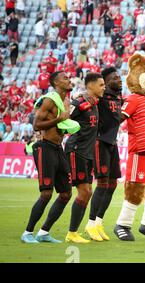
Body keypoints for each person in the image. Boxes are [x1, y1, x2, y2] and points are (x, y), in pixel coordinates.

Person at [21, 71, 74, 243]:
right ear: (56, 83)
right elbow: (36, 125)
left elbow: (62, 123)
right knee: (46, 193)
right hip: (44, 147)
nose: (69, 79)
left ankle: (44, 232)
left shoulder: (66, 101)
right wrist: (59, 119)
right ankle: (27, 232)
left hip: (58, 148)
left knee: (66, 193)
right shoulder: (50, 99)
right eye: (65, 78)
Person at [65, 73, 105, 243]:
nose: (104, 87)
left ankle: (74, 232)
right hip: (76, 150)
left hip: (87, 153)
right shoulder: (80, 102)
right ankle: (71, 233)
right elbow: (64, 118)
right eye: (101, 85)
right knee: (83, 192)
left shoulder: (94, 103)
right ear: (91, 86)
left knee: (87, 192)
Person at [85, 67, 123, 241]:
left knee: (113, 184)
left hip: (112, 143)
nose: (119, 79)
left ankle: (99, 222)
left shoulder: (118, 96)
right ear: (105, 83)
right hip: (100, 142)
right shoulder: (98, 98)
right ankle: (90, 224)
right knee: (102, 183)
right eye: (115, 77)